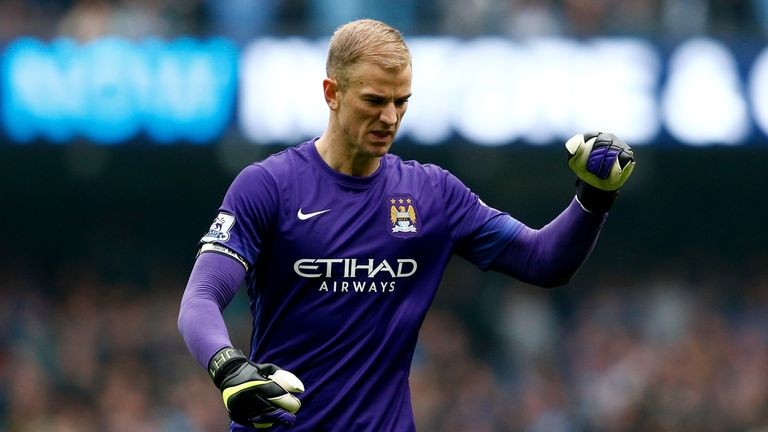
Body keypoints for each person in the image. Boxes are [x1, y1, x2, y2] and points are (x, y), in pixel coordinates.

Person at [177, 18, 635, 432]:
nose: (390, 118)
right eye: (374, 101)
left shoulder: (432, 194)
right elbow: (201, 297)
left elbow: (544, 261)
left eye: (401, 102)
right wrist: (229, 367)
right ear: (331, 93)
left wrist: (594, 195)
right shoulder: (268, 186)